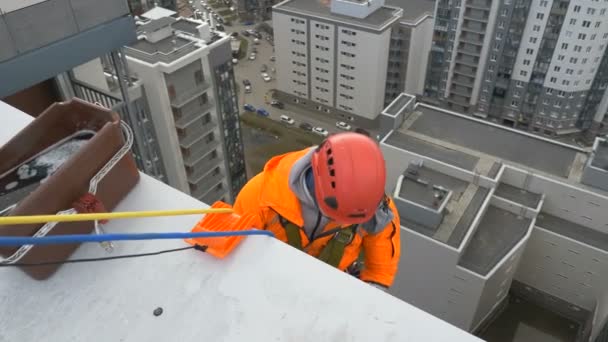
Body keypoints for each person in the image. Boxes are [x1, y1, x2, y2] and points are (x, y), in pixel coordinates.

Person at [234, 132, 401, 290]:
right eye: (338, 216)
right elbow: (238, 250)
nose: (343, 223)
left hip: (333, 283)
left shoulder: (375, 208)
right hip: (272, 277)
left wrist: (369, 296)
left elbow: (381, 268)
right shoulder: (262, 197)